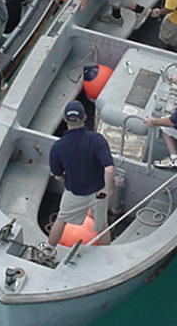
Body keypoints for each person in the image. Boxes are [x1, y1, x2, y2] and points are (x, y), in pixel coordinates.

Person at [48, 100, 115, 247]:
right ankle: (105, 255)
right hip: (98, 192)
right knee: (102, 225)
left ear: (65, 119)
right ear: (84, 118)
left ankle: (49, 249)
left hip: (74, 192)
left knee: (61, 220)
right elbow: (109, 169)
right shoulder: (97, 140)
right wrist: (107, 189)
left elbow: (57, 175)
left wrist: (66, 179)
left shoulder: (58, 147)